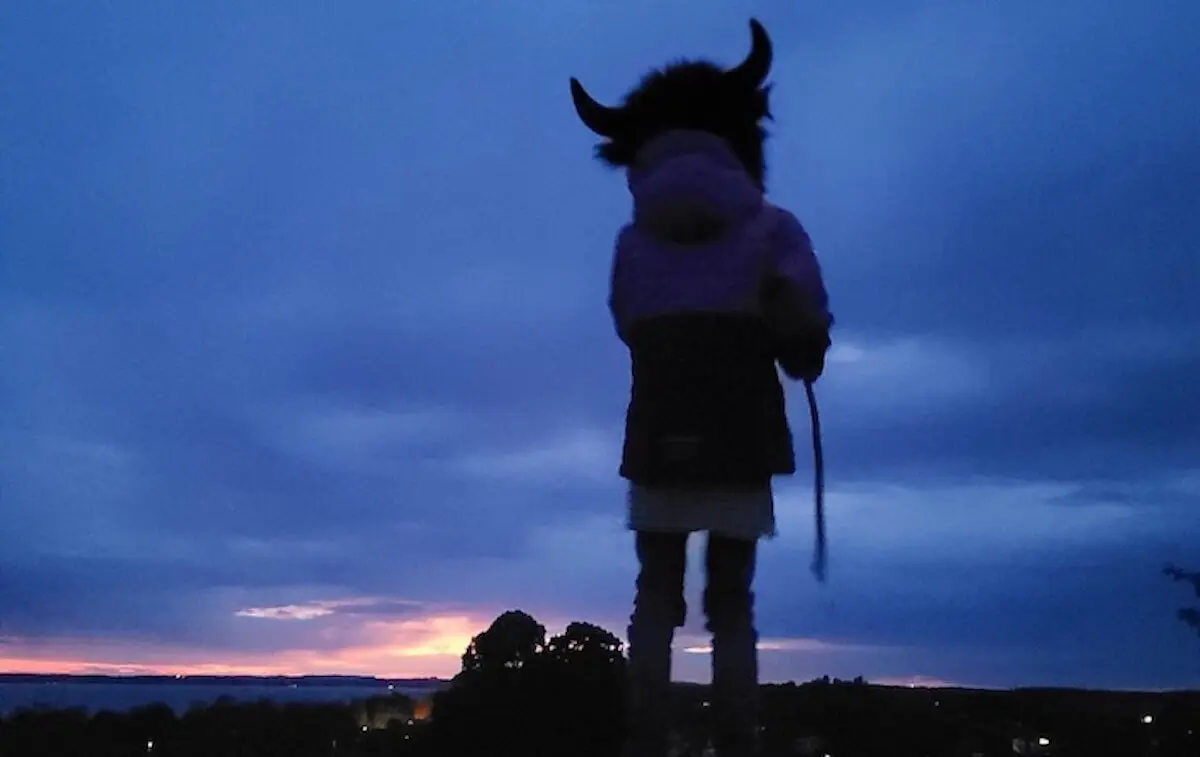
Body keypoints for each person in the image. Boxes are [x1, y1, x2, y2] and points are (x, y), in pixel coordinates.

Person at [568, 19, 834, 757]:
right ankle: (735, 743)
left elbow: (627, 322)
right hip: (743, 440)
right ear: (742, 135)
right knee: (731, 606)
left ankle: (644, 740)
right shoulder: (773, 229)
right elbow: (805, 337)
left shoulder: (632, 242)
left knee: (654, 600)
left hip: (657, 436)